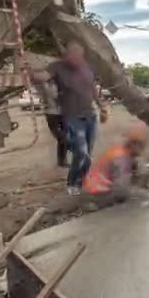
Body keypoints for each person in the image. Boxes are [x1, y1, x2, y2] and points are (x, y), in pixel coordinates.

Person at [29, 41, 109, 196]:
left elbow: (93, 89)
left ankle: (84, 179)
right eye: (73, 55)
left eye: (79, 56)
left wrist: (102, 107)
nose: (76, 59)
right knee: (81, 151)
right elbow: (43, 76)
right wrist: (30, 72)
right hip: (72, 116)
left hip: (90, 115)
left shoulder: (86, 68)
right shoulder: (57, 67)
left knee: (88, 154)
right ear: (67, 55)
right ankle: (73, 182)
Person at [82, 122, 148, 207]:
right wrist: (136, 191)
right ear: (134, 144)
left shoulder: (121, 152)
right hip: (100, 192)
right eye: (142, 146)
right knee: (143, 197)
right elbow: (121, 188)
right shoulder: (122, 159)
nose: (142, 151)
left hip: (96, 188)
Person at [36, 80, 68, 167]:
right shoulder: (46, 85)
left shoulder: (61, 84)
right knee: (61, 137)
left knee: (64, 138)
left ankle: (62, 160)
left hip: (61, 113)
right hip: (51, 114)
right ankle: (62, 160)